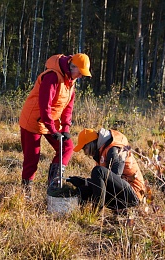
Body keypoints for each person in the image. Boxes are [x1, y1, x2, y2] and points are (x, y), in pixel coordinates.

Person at [19, 53, 92, 197]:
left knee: (67, 146)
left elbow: (68, 107)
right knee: (32, 158)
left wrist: (65, 127)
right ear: (73, 66)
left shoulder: (71, 79)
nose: (81, 76)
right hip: (33, 120)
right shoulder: (52, 77)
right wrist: (52, 129)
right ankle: (26, 193)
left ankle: (54, 185)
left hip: (51, 121)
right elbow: (44, 106)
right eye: (81, 72)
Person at [68, 128, 146, 212]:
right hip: (121, 191)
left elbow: (113, 180)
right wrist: (84, 181)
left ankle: (96, 213)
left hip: (133, 195)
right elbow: (107, 182)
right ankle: (81, 212)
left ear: (90, 144)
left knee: (98, 171)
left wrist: (89, 183)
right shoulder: (102, 150)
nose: (85, 153)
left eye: (84, 149)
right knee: (82, 190)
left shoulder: (114, 149)